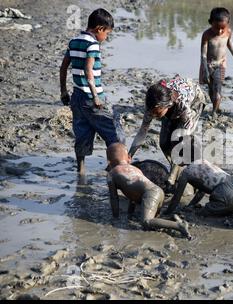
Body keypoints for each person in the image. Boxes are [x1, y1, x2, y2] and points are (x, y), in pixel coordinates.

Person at [60, 8, 123, 175]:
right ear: (99, 29)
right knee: (115, 133)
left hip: (76, 98)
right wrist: (96, 96)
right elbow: (89, 71)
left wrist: (63, 92)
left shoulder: (74, 41)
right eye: (107, 34)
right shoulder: (93, 44)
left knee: (82, 134)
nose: (106, 38)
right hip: (91, 97)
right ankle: (115, 168)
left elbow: (63, 67)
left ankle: (81, 170)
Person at [129, 75, 206, 189]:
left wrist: (171, 177)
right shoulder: (153, 104)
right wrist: (129, 155)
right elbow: (142, 131)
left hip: (194, 102)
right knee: (164, 143)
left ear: (167, 105)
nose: (153, 116)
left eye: (157, 113)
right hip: (170, 106)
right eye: (151, 112)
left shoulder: (183, 107)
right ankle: (174, 167)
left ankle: (186, 173)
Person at [106, 143, 191, 239]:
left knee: (146, 221)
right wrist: (130, 213)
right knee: (153, 222)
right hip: (158, 191)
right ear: (129, 158)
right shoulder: (135, 169)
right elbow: (132, 195)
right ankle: (173, 219)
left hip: (150, 194)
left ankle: (180, 226)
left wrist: (115, 217)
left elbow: (114, 198)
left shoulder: (112, 174)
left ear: (109, 162)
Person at [165, 159, 233, 217]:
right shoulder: (204, 162)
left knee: (200, 213)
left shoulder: (186, 172)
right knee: (226, 207)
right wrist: (191, 205)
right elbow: (202, 190)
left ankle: (230, 212)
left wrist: (167, 212)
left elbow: (177, 197)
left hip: (228, 195)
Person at [199, 7, 233, 115]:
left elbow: (229, 44)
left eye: (222, 28)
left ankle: (215, 111)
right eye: (216, 28)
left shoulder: (228, 32)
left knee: (217, 89)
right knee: (210, 89)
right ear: (211, 23)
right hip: (208, 64)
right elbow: (203, 54)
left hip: (220, 64)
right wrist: (204, 68)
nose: (219, 31)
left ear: (228, 24)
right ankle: (216, 105)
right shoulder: (207, 35)